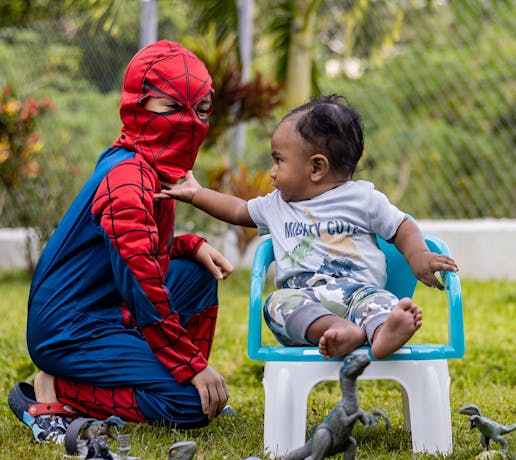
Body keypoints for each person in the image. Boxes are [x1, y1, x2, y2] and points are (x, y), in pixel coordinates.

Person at [8, 40, 232, 444]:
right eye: (169, 107)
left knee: (197, 276)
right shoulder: (129, 177)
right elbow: (141, 280)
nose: (189, 122)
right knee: (185, 406)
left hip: (109, 308)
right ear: (137, 105)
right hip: (72, 329)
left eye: (200, 110)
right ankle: (58, 389)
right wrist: (191, 365)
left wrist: (188, 246)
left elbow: (136, 247)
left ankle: (172, 384)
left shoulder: (141, 163)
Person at [160, 94, 458, 360]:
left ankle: (383, 334)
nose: (272, 172)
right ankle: (341, 332)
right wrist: (196, 195)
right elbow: (238, 210)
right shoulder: (276, 204)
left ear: (316, 167)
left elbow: (401, 226)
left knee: (384, 302)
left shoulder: (363, 198)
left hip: (359, 294)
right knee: (276, 305)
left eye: (278, 161)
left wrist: (418, 256)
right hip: (304, 298)